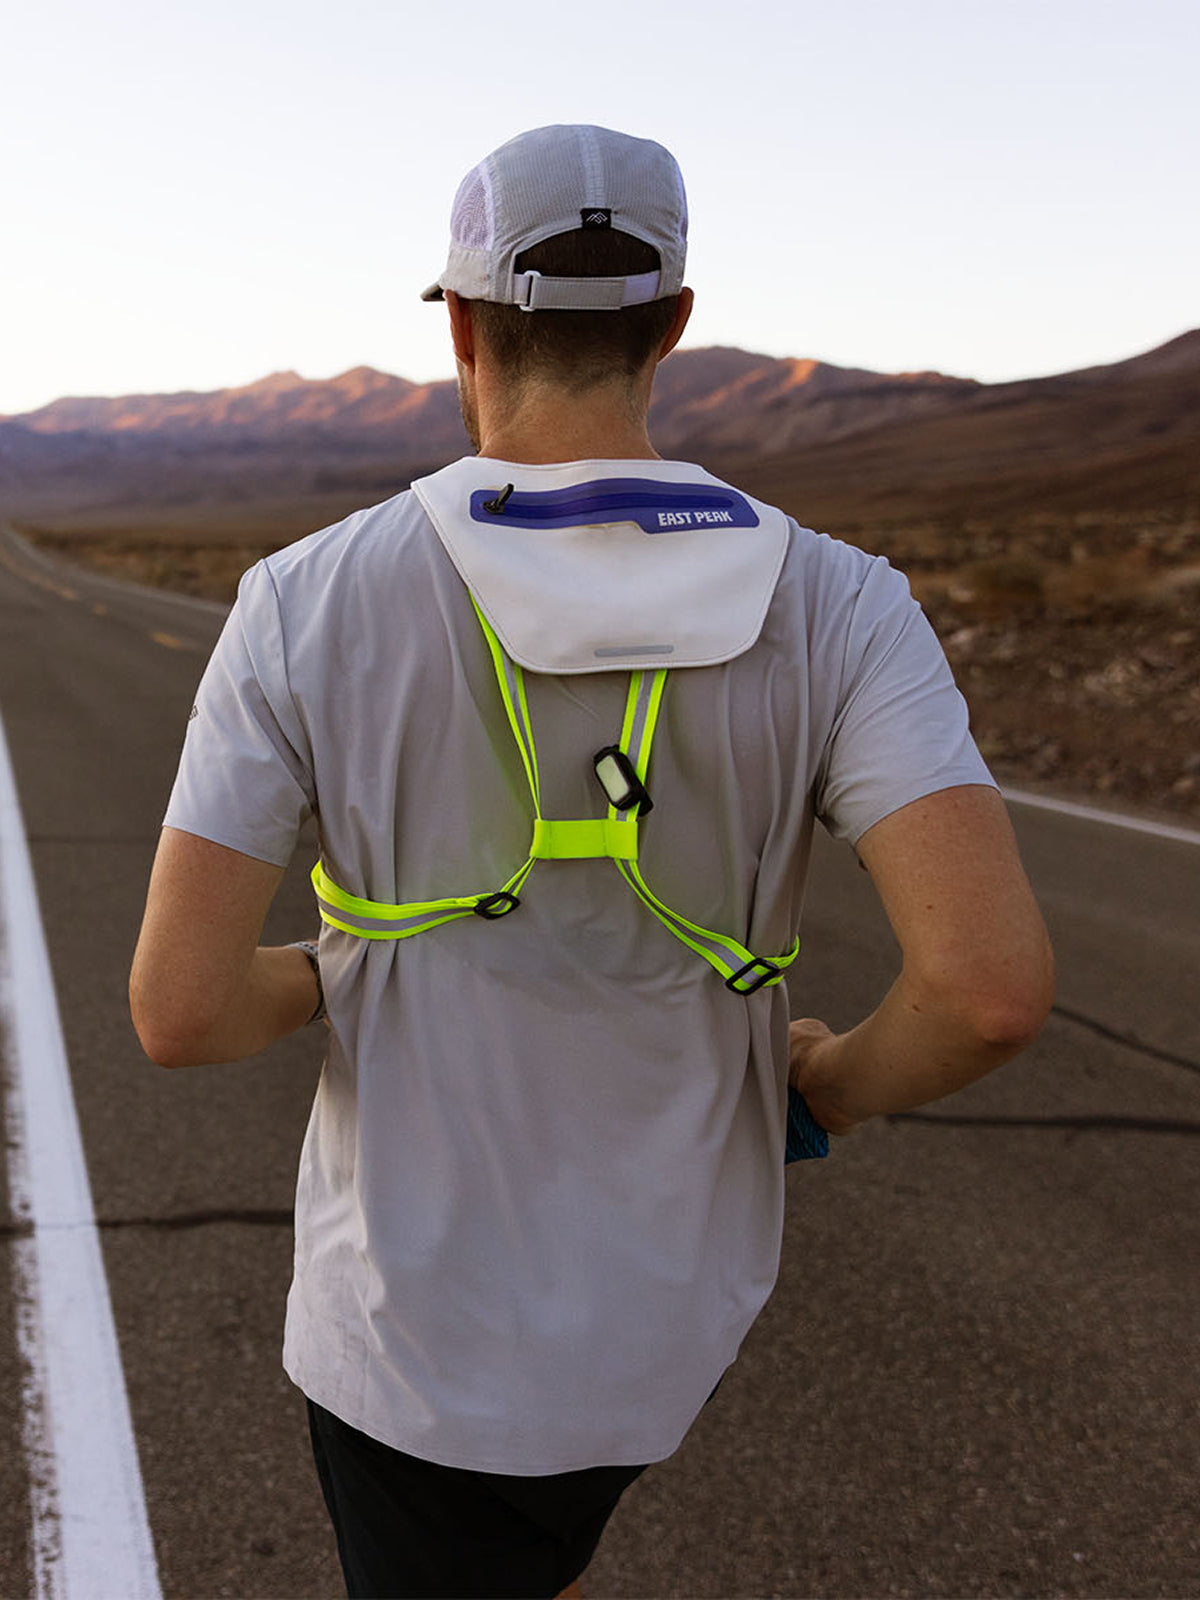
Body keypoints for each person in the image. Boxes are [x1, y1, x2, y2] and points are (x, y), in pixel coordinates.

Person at [129, 124, 1055, 1599]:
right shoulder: (846, 602)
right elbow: (989, 993)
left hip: (413, 1340)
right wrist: (828, 1087)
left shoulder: (303, 597)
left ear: (459, 326)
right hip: (669, 1326)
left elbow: (180, 1014)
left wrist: (325, 973)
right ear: (674, 325)